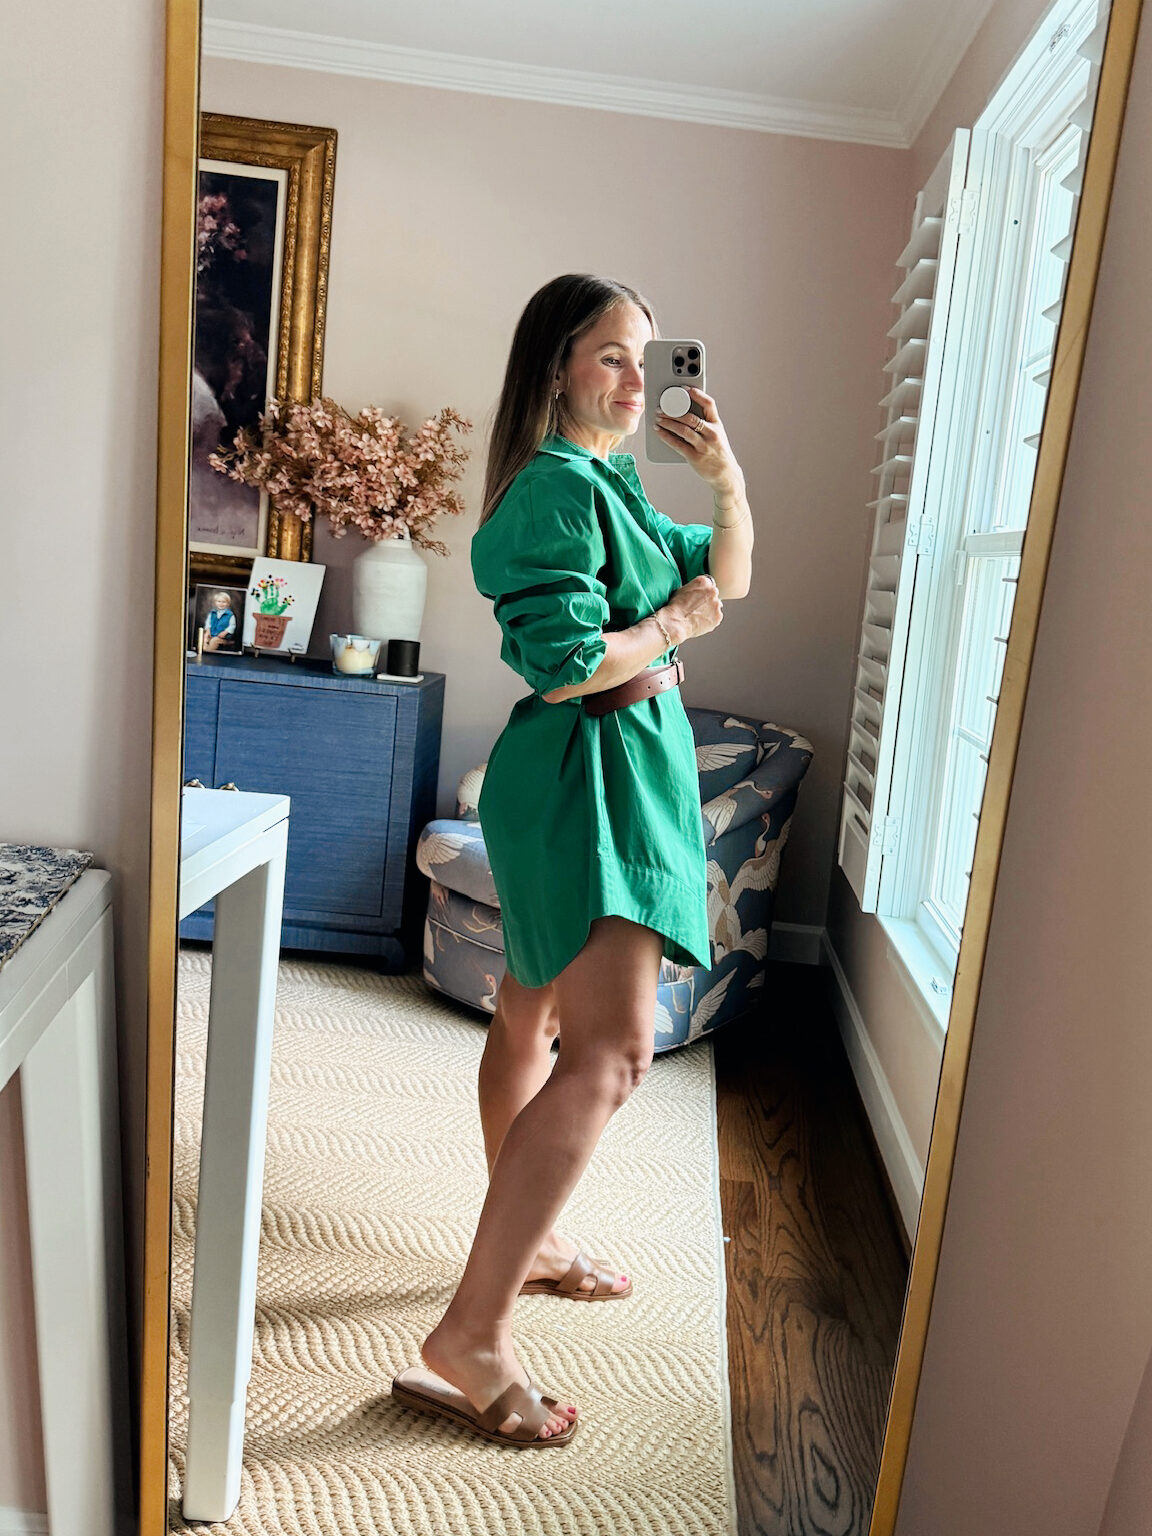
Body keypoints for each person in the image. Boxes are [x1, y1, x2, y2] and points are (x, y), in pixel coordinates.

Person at [391, 275, 754, 1447]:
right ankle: (473, 1333)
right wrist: (674, 627)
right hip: (592, 771)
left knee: (529, 1016)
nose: (637, 379)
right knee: (613, 1054)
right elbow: (565, 666)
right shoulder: (555, 487)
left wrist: (726, 480)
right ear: (555, 368)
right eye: (610, 356)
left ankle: (532, 1245)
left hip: (603, 764)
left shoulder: (614, 485)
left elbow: (731, 575)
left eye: (645, 357)